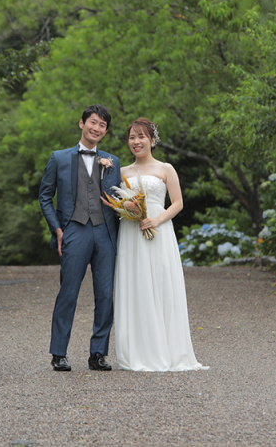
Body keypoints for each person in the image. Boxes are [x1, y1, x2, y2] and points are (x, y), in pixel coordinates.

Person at [114, 118, 208, 372]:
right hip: (131, 233)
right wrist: (129, 209)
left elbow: (177, 203)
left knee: (161, 284)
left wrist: (156, 219)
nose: (136, 142)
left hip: (159, 230)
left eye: (141, 137)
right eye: (132, 137)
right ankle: (138, 351)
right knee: (136, 285)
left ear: (152, 141)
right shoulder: (121, 171)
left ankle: (168, 350)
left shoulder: (166, 168)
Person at [39, 105, 122, 372]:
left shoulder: (113, 161)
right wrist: (58, 229)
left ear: (106, 132)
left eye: (102, 126)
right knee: (69, 292)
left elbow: (120, 198)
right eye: (93, 123)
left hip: (106, 233)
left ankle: (98, 353)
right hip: (74, 230)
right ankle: (59, 353)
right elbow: (45, 196)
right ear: (81, 123)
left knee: (106, 295)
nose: (96, 129)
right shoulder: (59, 158)